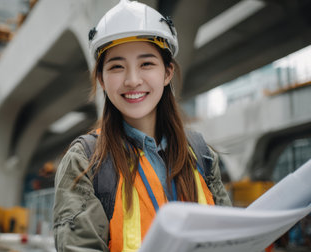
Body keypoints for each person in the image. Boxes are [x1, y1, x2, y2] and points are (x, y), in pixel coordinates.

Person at [53, 0, 231, 251]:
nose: (133, 80)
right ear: (102, 78)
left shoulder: (202, 156)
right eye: (116, 67)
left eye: (146, 63)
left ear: (167, 72)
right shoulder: (85, 161)